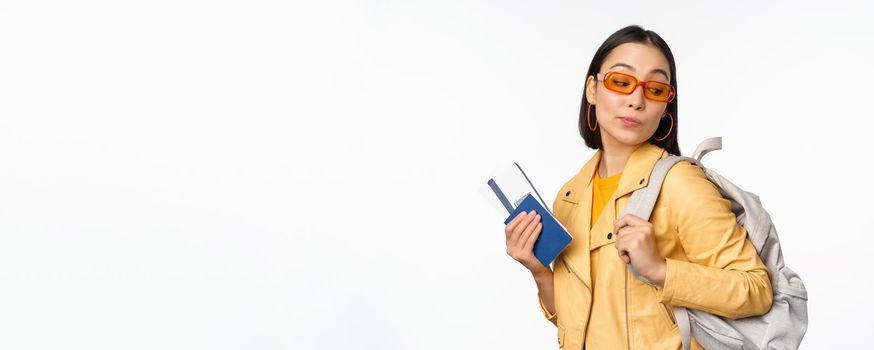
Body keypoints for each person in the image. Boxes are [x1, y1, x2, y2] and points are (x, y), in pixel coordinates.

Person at [503, 25, 773, 349]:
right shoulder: (570, 196)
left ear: (665, 105)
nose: (636, 100)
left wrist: (659, 270)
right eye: (621, 82)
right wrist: (538, 271)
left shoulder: (679, 183)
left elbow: (756, 290)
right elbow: (582, 323)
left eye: (655, 89)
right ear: (592, 89)